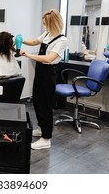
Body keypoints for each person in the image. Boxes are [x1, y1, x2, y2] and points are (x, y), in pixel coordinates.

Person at [20, 9, 68, 150]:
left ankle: (46, 139)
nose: (44, 26)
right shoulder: (47, 34)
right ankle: (42, 129)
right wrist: (22, 40)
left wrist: (28, 55)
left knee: (45, 106)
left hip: (48, 74)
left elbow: (49, 58)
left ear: (53, 23)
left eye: (45, 23)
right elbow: (35, 41)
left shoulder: (61, 40)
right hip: (40, 73)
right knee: (37, 102)